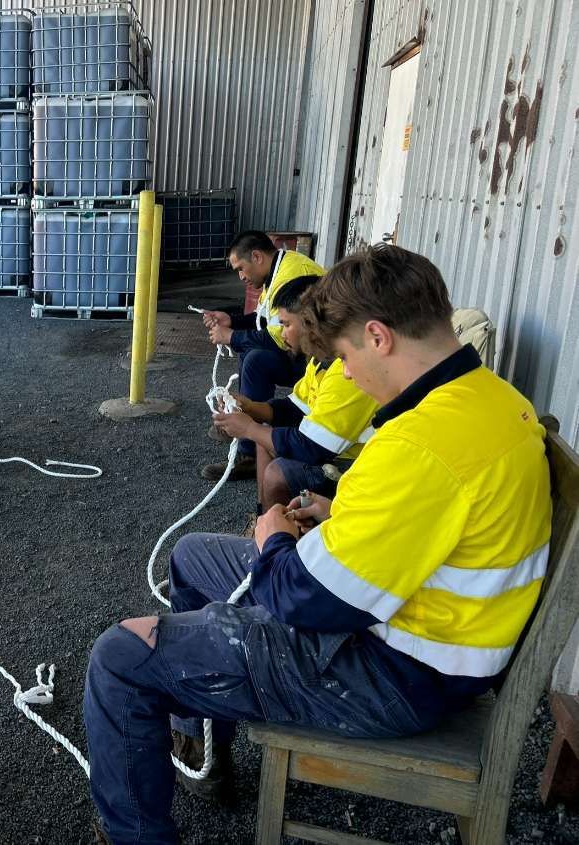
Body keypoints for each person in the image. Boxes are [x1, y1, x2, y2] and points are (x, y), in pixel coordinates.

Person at [83, 244, 551, 843]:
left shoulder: (423, 443)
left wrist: (275, 538)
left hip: (393, 671)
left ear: (378, 337)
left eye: (346, 355)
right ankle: (199, 743)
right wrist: (340, 512)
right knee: (192, 553)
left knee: (121, 656)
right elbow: (440, 522)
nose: (346, 373)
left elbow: (306, 602)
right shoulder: (490, 400)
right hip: (417, 631)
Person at [211, 274, 379, 515]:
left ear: (311, 322)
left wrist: (249, 429)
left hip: (355, 464)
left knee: (278, 472)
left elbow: (312, 448)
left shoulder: (346, 373)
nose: (282, 333)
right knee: (265, 434)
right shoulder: (320, 360)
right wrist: (248, 407)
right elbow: (293, 409)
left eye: (286, 324)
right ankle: (265, 521)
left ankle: (277, 539)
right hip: (335, 450)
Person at [199, 231, 324, 481]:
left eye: (240, 269)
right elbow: (265, 323)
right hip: (310, 354)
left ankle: (250, 449)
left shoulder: (292, 274)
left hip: (318, 357)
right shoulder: (278, 270)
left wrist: (232, 336)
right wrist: (231, 321)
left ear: (256, 257)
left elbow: (277, 335)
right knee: (252, 352)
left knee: (256, 359)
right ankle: (248, 429)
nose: (241, 276)